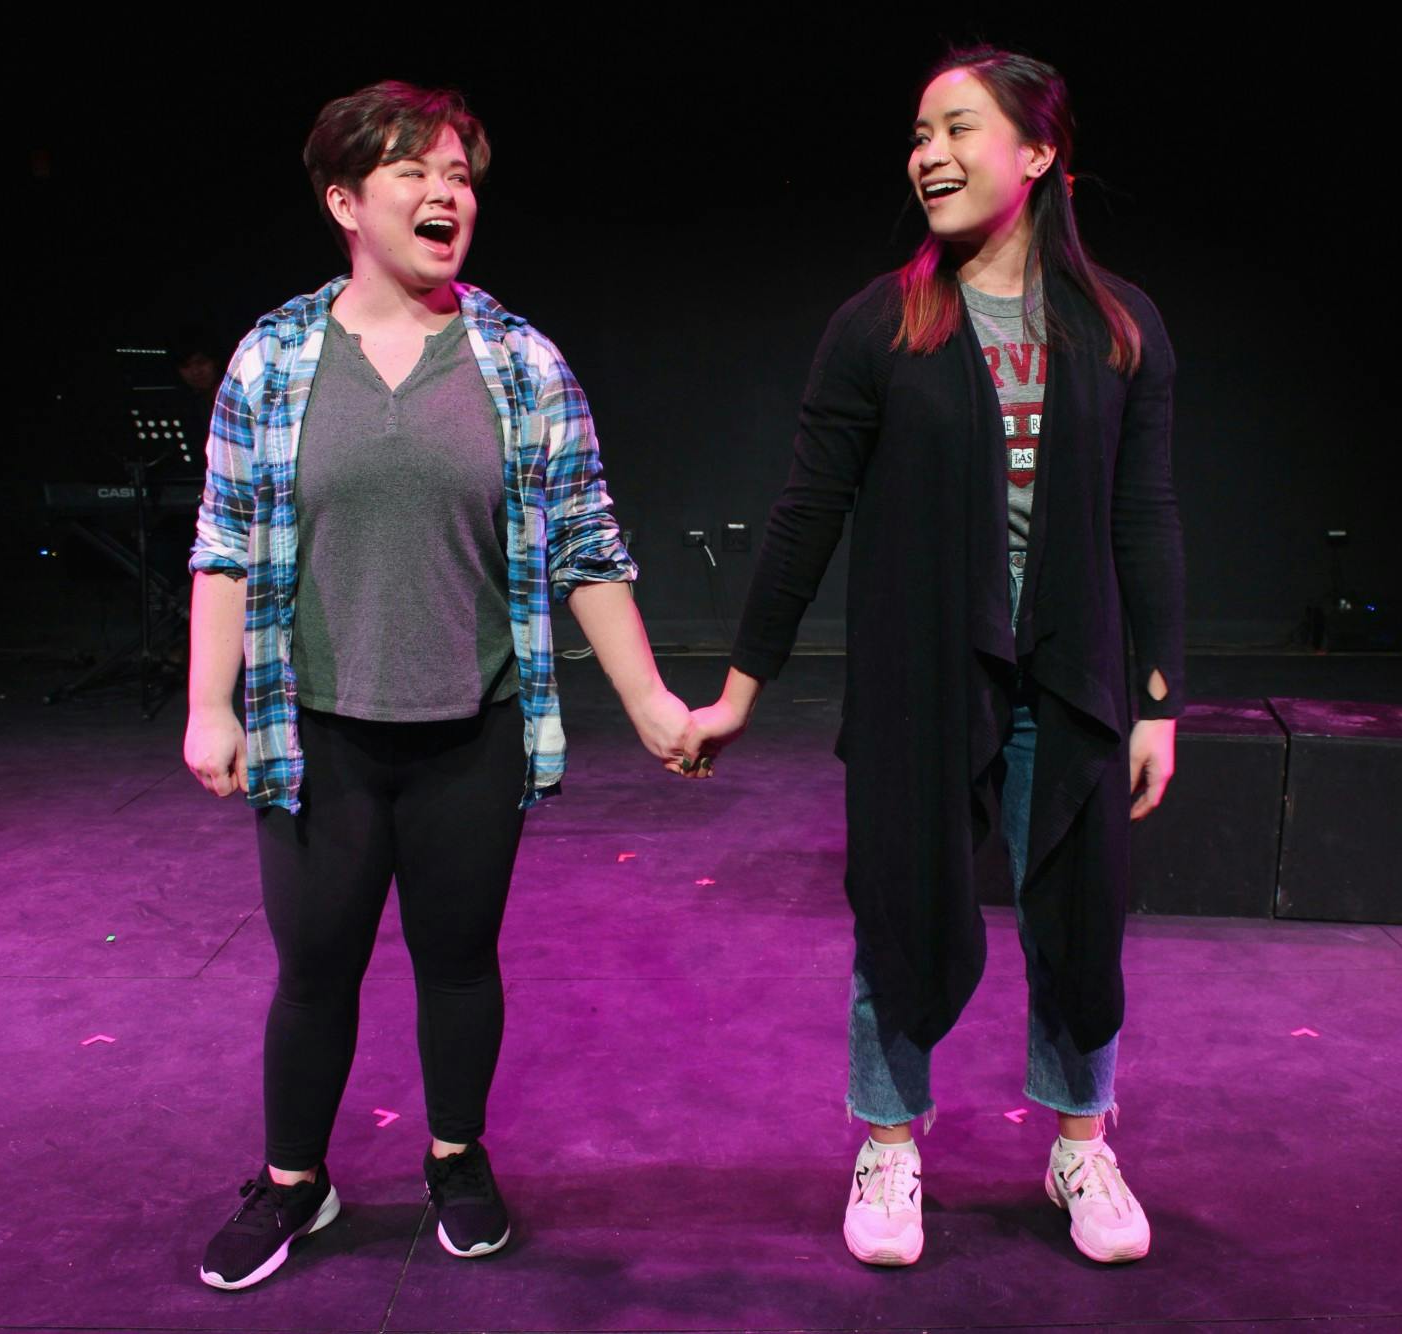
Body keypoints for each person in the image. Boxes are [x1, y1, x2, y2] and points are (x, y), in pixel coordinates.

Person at [183, 80, 693, 1290]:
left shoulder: (519, 361)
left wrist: (653, 703)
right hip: (316, 732)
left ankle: (455, 1156)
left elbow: (587, 547)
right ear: (345, 200)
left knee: (459, 958)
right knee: (314, 966)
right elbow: (222, 538)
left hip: (475, 726)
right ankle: (295, 1182)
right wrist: (210, 703)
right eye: (414, 169)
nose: (446, 192)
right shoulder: (275, 356)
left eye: (459, 171)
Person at [685, 46, 1185, 1266]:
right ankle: (890, 1143)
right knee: (897, 910)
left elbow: (1144, 515)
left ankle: (1080, 1140)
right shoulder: (880, 324)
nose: (927, 155)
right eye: (917, 135)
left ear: (1037, 150)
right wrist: (737, 688)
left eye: (957, 127)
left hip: (1068, 680)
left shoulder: (1116, 327)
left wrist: (1159, 697)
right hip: (921, 681)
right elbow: (807, 511)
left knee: (1080, 915)